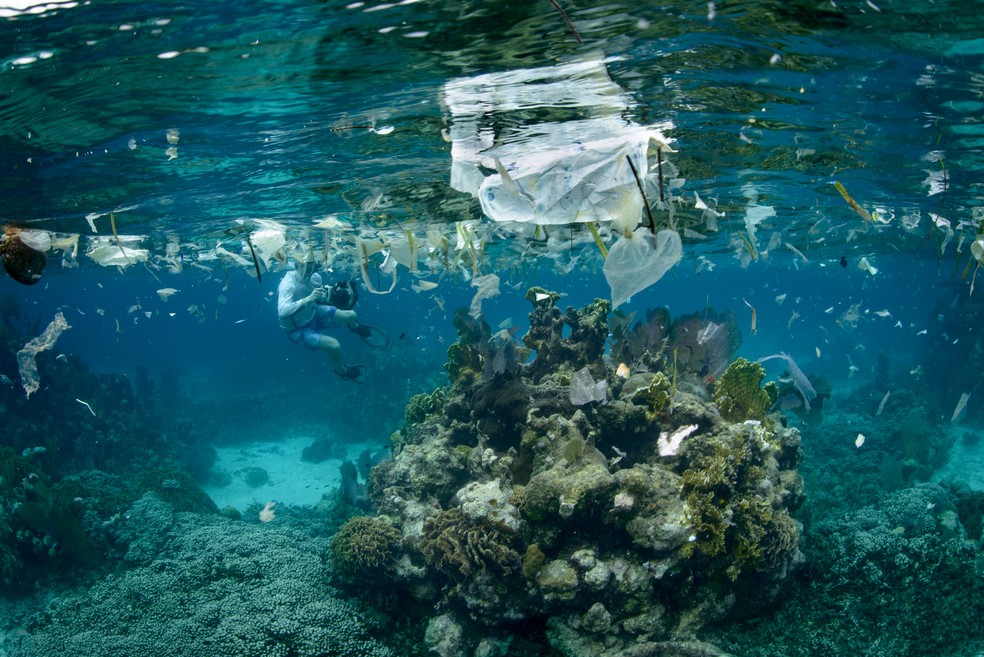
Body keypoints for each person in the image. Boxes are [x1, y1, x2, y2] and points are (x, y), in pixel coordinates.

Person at [277, 256, 369, 383]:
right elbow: (283, 312)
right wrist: (308, 299)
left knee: (351, 315)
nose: (310, 269)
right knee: (334, 345)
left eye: (313, 265)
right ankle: (342, 371)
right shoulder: (287, 284)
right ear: (297, 265)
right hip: (296, 329)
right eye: (306, 265)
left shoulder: (316, 278)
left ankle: (356, 328)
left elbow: (318, 298)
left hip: (313, 312)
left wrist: (333, 296)